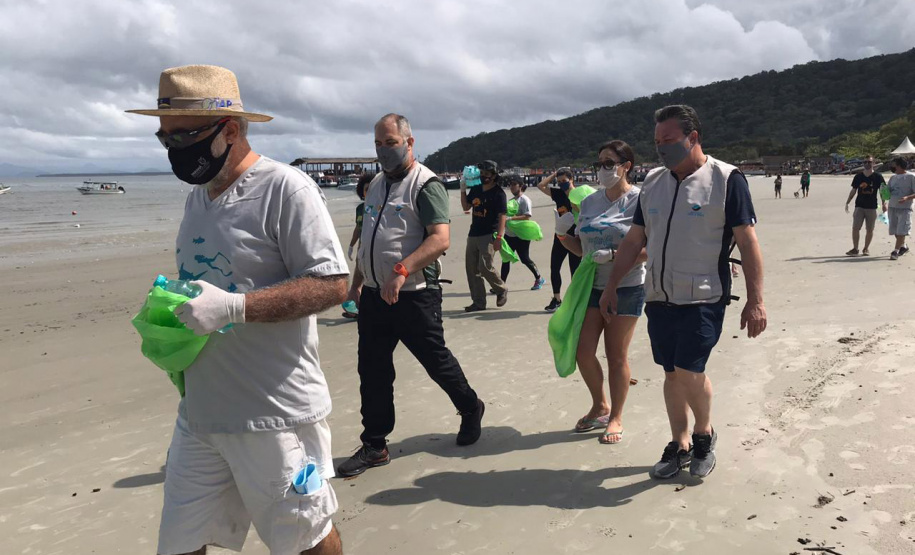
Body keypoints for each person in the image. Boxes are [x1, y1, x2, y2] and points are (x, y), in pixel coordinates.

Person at [127, 65, 348, 555]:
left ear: (229, 130)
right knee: (179, 544)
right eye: (164, 138)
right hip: (200, 412)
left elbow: (333, 284)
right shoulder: (197, 200)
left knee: (305, 539)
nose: (173, 150)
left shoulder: (285, 189)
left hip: (273, 414)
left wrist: (233, 308)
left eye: (183, 137)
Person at [602, 105, 767, 480]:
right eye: (657, 141)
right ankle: (680, 443)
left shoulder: (726, 179)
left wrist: (756, 301)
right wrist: (612, 285)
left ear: (693, 137)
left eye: (669, 139)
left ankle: (704, 434)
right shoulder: (654, 182)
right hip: (659, 296)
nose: (662, 147)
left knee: (689, 371)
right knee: (671, 374)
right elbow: (634, 240)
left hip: (703, 296)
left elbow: (748, 242)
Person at [338, 113, 485, 478]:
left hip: (415, 294)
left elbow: (440, 239)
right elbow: (369, 241)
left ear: (409, 142)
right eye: (378, 144)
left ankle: (470, 407)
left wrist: (401, 271)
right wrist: (358, 282)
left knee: (435, 361)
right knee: (372, 370)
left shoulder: (426, 184)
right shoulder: (375, 185)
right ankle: (375, 444)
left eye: (390, 142)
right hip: (375, 296)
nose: (383, 150)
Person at [556, 140, 646, 443]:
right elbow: (583, 249)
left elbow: (652, 248)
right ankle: (600, 405)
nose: (602, 169)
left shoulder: (640, 200)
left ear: (626, 166)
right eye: (600, 164)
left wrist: (616, 254)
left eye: (609, 163)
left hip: (626, 286)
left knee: (616, 355)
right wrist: (562, 235)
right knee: (583, 351)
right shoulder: (591, 202)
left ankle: (616, 417)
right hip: (591, 285)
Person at [460, 159, 509, 312]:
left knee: (485, 266)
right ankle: (479, 302)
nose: (484, 176)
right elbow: (466, 207)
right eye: (481, 173)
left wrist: (499, 237)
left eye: (487, 173)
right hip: (473, 233)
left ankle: (501, 289)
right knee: (472, 269)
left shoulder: (499, 193)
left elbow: (502, 216)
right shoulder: (476, 189)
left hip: (489, 234)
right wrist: (463, 190)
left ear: (494, 175)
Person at [536, 167, 582, 312]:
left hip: (576, 238)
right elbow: (540, 186)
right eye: (559, 181)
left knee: (575, 271)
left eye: (564, 181)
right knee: (555, 267)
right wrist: (554, 174)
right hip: (560, 236)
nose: (562, 183)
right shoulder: (558, 194)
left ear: (572, 179)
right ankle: (556, 299)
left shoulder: (579, 195)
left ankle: (575, 301)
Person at [501, 174, 545, 289]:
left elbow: (527, 216)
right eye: (510, 185)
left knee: (525, 259)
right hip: (509, 235)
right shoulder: (511, 201)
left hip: (521, 236)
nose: (512, 187)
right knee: (506, 259)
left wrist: (511, 218)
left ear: (520, 186)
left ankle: (539, 278)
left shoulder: (525, 200)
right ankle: (500, 285)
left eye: (514, 185)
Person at [343, 173, 375, 318]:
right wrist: (351, 245)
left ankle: (363, 307)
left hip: (376, 249)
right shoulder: (360, 209)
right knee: (359, 277)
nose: (369, 192)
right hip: (362, 248)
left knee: (369, 279)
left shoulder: (382, 206)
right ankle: (358, 308)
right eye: (366, 189)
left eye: (372, 188)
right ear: (362, 192)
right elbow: (358, 227)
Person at [844, 155, 885, 256]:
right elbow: (854, 190)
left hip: (872, 206)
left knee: (870, 229)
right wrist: (847, 202)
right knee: (855, 228)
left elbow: (882, 191)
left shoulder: (878, 177)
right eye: (865, 162)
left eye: (869, 162)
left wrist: (884, 203)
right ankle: (855, 248)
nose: (867, 164)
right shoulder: (858, 176)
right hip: (859, 206)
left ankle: (866, 248)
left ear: (873, 163)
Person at [886, 157, 915, 260]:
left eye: (893, 165)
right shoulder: (893, 178)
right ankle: (903, 246)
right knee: (895, 230)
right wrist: (884, 194)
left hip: (905, 208)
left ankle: (896, 251)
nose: (892, 167)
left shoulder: (911, 177)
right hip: (892, 207)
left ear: (899, 166)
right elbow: (887, 192)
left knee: (902, 230)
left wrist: (907, 198)